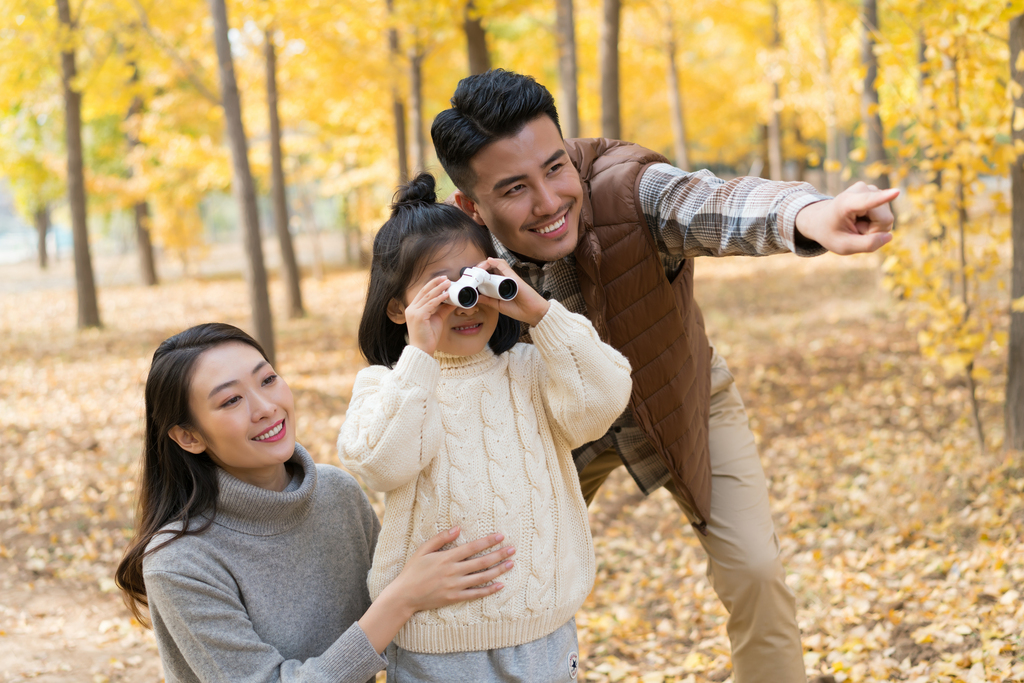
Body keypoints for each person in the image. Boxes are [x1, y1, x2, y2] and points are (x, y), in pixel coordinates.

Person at [429, 69, 900, 683]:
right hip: (550, 432)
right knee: (501, 592)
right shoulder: (453, 253)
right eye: (515, 188)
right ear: (472, 205)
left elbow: (715, 203)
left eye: (555, 168)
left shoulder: (628, 188)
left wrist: (810, 214)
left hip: (681, 391)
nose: (548, 203)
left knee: (755, 570)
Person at [337, 173, 633, 682]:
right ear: (397, 308)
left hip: (544, 632)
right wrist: (419, 355)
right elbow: (379, 464)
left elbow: (606, 397)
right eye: (442, 289)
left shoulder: (534, 370)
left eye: (474, 280)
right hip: (436, 646)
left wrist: (540, 313)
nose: (463, 302)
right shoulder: (388, 386)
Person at [114, 322, 517, 683]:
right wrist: (402, 598)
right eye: (231, 401)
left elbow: (406, 632)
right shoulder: (180, 561)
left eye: (268, 380)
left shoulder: (337, 494)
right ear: (188, 436)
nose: (266, 407)